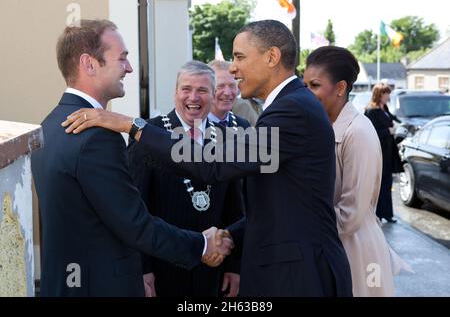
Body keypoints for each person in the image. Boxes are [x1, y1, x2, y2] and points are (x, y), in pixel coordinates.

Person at [62, 20, 353, 297]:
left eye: (239, 57)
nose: (234, 68)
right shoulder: (292, 107)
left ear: (272, 57)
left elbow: (212, 164)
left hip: (299, 277)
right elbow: (276, 207)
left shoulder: (293, 112)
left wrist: (132, 126)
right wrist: (229, 235)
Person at [31, 20, 232, 297]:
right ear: (89, 64)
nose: (130, 68)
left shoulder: (49, 125)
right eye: (122, 58)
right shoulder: (97, 136)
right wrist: (201, 245)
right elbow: (134, 224)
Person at [128, 61, 244, 297]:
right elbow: (135, 208)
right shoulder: (149, 135)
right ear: (175, 93)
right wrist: (142, 268)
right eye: (186, 89)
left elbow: (235, 208)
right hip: (163, 267)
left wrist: (235, 267)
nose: (194, 97)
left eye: (202, 90)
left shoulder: (227, 139)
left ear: (212, 95)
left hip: (214, 269)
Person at [303, 46, 409, 296]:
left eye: (315, 85)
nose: (306, 93)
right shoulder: (322, 125)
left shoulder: (358, 131)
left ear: (340, 88)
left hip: (356, 250)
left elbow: (350, 213)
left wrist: (299, 227)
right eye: (304, 85)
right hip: (331, 245)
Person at [364, 84, 404, 223]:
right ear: (379, 94)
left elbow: (396, 120)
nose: (388, 96)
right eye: (385, 93)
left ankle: (387, 214)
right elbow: (370, 131)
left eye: (388, 93)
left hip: (388, 151)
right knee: (380, 184)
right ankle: (379, 214)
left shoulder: (384, 108)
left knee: (387, 183)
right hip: (379, 151)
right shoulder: (371, 110)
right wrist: (388, 131)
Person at [207, 60, 251, 130]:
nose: (227, 93)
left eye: (232, 85)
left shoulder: (243, 125)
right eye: (220, 86)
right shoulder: (194, 128)